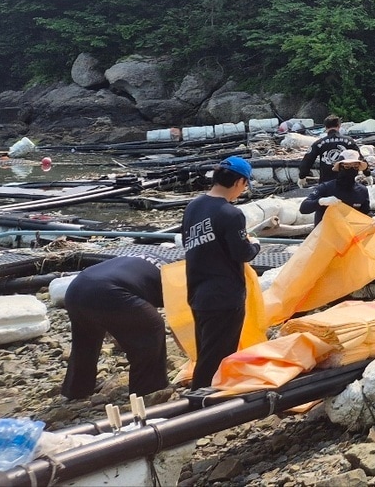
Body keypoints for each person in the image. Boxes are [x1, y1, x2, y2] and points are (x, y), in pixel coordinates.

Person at [181, 156, 261, 390]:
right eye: (245, 185)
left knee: (206, 349)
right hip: (225, 296)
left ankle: (203, 396)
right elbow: (242, 253)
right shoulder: (231, 214)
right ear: (239, 182)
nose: (243, 190)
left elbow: (192, 242)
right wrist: (255, 245)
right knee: (218, 355)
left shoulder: (194, 206)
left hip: (197, 291)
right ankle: (203, 404)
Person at [61, 255, 168, 400]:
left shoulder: (155, 262)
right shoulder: (179, 278)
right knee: (152, 328)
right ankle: (148, 391)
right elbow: (183, 320)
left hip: (76, 289)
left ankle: (76, 389)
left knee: (85, 341)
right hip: (108, 291)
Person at [299, 149, 372, 224]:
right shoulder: (326, 187)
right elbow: (304, 208)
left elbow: (365, 213)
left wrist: (373, 220)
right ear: (340, 167)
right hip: (325, 233)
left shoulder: (362, 191)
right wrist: (321, 201)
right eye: (347, 167)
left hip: (350, 233)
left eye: (355, 167)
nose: (351, 169)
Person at [299, 115, 360, 184]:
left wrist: (302, 176)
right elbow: (359, 157)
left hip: (326, 184)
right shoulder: (349, 141)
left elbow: (307, 160)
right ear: (339, 126)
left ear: (325, 127)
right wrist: (367, 173)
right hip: (346, 184)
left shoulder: (319, 143)